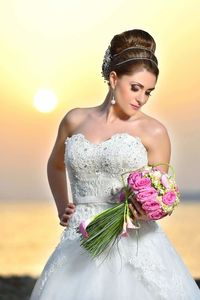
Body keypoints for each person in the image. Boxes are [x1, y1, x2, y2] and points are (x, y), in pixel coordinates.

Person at [30, 29, 200, 300]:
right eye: (135, 88)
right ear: (113, 79)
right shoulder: (74, 120)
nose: (141, 98)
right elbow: (55, 165)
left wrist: (145, 210)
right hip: (80, 237)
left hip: (132, 243)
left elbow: (159, 192)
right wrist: (63, 207)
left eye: (148, 92)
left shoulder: (154, 132)